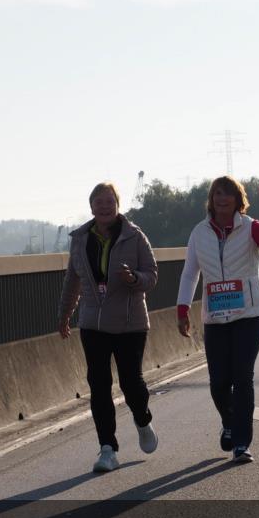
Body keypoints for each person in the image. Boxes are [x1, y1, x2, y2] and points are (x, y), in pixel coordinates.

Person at [176, 177, 259, 463]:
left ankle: (241, 443)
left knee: (242, 378)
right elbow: (190, 273)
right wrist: (182, 309)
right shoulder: (199, 233)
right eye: (217, 195)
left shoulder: (250, 227)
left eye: (228, 195)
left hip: (249, 314)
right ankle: (229, 421)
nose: (222, 199)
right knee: (218, 382)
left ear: (238, 200)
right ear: (211, 200)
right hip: (215, 317)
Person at [58, 182, 160, 473]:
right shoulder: (80, 239)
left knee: (131, 384)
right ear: (91, 207)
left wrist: (133, 279)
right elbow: (72, 280)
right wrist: (65, 314)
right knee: (99, 386)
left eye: (109, 202)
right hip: (93, 323)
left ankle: (142, 419)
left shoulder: (134, 236)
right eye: (98, 202)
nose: (104, 207)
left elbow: (152, 275)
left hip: (130, 323)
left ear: (117, 206)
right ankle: (107, 449)